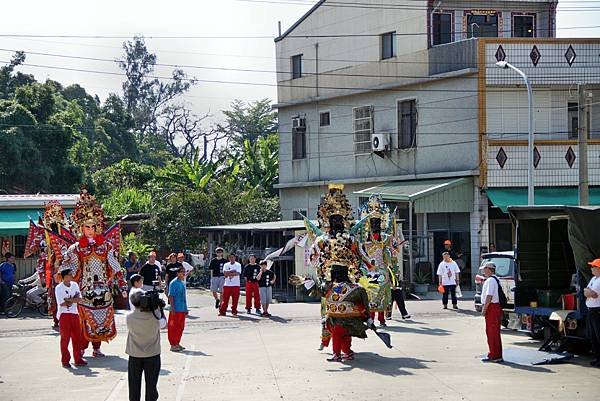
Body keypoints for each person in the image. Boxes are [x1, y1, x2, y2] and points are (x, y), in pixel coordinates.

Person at [58, 188, 127, 358]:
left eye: (93, 226)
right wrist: (63, 264)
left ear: (97, 226)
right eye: (86, 227)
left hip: (103, 289)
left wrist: (122, 283)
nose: (90, 229)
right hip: (84, 290)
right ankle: (81, 347)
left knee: (102, 318)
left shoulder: (107, 246)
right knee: (83, 321)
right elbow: (72, 269)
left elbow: (114, 264)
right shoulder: (76, 248)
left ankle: (97, 348)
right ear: (81, 228)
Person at [126, 289, 166, 401]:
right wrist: (159, 308)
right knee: (151, 387)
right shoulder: (155, 315)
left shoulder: (129, 317)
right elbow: (163, 324)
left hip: (135, 355)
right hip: (152, 354)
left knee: (134, 386)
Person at [325, 265, 371, 362]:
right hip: (341, 318)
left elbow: (361, 304)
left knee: (337, 333)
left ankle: (337, 355)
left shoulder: (332, 286)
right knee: (344, 336)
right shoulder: (355, 288)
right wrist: (367, 317)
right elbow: (364, 304)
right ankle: (348, 353)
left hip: (346, 319)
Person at [55, 268, 87, 368]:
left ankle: (78, 359)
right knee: (65, 338)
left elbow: (79, 299)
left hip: (74, 313)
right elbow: (62, 303)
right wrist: (73, 300)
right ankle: (65, 360)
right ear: (64, 276)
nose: (71, 276)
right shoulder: (59, 288)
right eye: (69, 274)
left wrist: (69, 300)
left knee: (77, 337)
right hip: (64, 314)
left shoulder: (75, 285)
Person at [480, 262, 503, 363]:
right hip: (495, 307)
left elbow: (489, 296)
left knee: (492, 332)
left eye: (484, 269)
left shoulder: (490, 281)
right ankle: (496, 354)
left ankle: (494, 355)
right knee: (494, 332)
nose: (483, 271)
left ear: (488, 269)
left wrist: (484, 309)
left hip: (492, 308)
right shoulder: (495, 279)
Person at [168, 266, 188, 352]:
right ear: (177, 273)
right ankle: (173, 344)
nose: (183, 273)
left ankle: (177, 342)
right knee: (173, 327)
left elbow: (184, 297)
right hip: (175, 309)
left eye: (184, 271)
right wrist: (172, 307)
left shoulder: (182, 282)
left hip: (182, 308)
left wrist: (186, 308)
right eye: (182, 272)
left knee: (180, 327)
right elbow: (170, 296)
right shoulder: (173, 283)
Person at [584, 258, 600, 367]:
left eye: (593, 266)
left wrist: (588, 292)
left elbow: (592, 294)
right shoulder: (594, 279)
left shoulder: (599, 280)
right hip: (591, 311)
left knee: (599, 336)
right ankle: (597, 358)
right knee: (593, 336)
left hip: (597, 311)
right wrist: (588, 292)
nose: (591, 268)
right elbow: (586, 291)